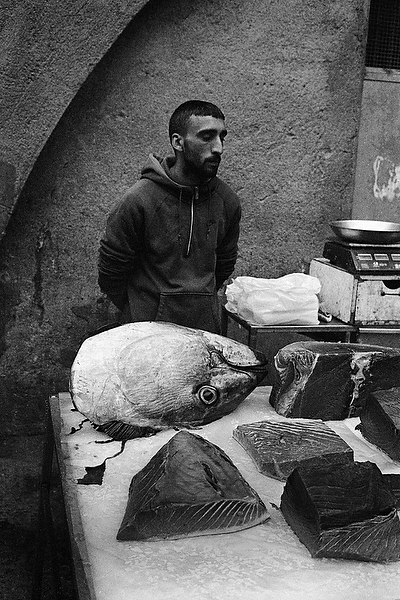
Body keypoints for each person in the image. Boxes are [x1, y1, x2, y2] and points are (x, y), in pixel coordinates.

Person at [98, 100, 241, 333]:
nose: (218, 148)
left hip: (204, 335)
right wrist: (141, 308)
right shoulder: (140, 200)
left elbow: (224, 264)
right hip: (146, 334)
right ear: (178, 142)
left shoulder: (227, 201)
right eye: (207, 137)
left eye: (221, 137)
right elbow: (111, 271)